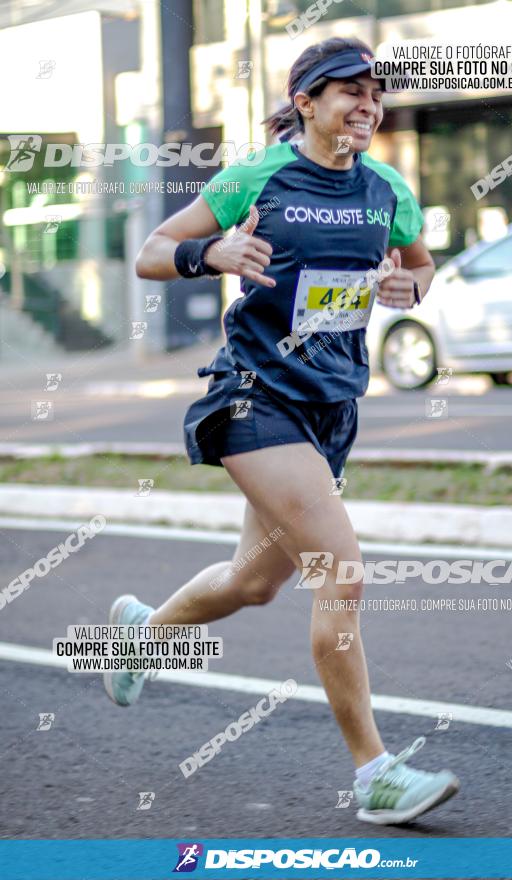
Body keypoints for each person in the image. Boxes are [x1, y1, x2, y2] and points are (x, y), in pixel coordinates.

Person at [103, 36, 460, 825]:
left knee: (252, 584)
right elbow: (151, 253)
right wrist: (210, 251)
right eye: (349, 91)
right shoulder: (254, 176)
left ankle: (137, 636)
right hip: (252, 396)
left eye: (375, 94)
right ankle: (374, 774)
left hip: (329, 404)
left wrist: (408, 284)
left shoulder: (387, 187)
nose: (367, 105)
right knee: (341, 570)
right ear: (305, 102)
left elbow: (420, 266)